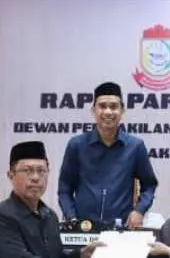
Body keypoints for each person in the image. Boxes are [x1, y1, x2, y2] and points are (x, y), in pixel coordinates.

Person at [57, 81, 159, 229]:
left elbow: (149, 185)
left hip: (120, 229)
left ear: (122, 110)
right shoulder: (76, 145)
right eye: (102, 106)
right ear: (93, 110)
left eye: (113, 106)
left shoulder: (135, 147)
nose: (108, 112)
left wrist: (139, 211)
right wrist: (71, 218)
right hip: (84, 229)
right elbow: (64, 189)